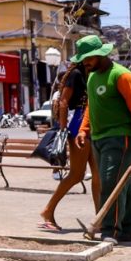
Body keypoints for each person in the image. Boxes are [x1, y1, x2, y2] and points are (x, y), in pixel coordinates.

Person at [74, 35, 131, 244]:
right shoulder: (92, 77)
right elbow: (92, 106)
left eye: (88, 58)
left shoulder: (122, 76)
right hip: (99, 138)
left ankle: (110, 230)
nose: (85, 63)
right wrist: (83, 130)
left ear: (102, 54)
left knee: (110, 183)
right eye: (83, 59)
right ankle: (129, 230)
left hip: (120, 138)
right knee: (122, 184)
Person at [40, 61, 101, 229]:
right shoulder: (76, 74)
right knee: (76, 175)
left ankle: (99, 219)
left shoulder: (92, 73)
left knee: (98, 176)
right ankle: (48, 210)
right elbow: (64, 101)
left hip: (92, 125)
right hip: (78, 125)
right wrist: (62, 129)